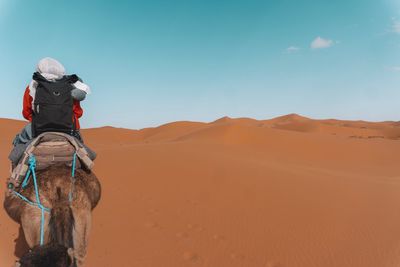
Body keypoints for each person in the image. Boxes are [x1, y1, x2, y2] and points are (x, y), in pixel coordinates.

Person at [9, 57, 92, 166]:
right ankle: (87, 166)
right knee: (82, 148)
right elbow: (78, 113)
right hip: (69, 130)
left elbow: (26, 113)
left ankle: (15, 171)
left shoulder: (33, 85)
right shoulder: (70, 86)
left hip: (38, 129)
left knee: (19, 141)